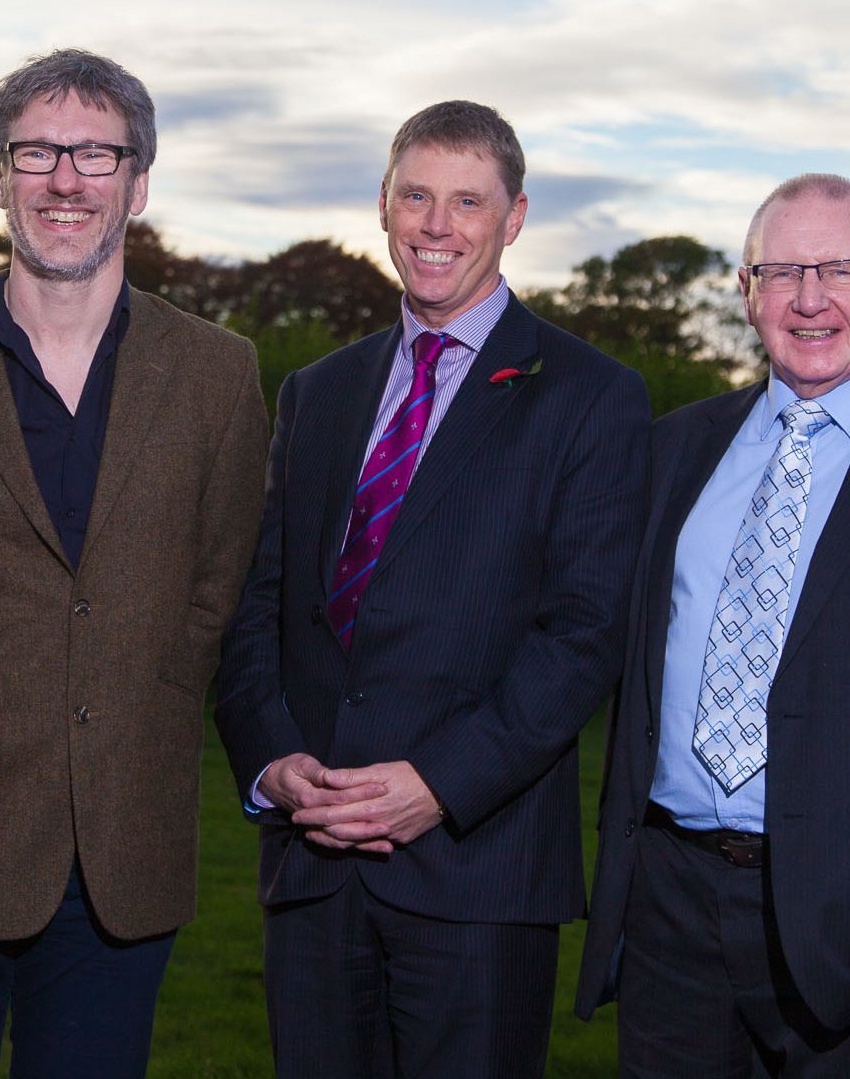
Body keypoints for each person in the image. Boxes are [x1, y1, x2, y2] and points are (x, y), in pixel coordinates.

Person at [0, 49, 269, 1079]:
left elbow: (220, 585)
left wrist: (141, 693)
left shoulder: (218, 372)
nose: (66, 179)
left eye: (95, 153)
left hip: (122, 844)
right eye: (37, 151)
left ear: (138, 179)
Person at [213, 99, 651, 1078]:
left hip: (477, 872)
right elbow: (259, 598)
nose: (437, 224)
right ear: (383, 203)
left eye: (467, 200)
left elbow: (585, 631)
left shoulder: (589, 395)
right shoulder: (319, 391)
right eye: (416, 195)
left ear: (516, 215)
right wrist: (271, 755)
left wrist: (442, 785)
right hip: (314, 858)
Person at [574, 174, 850, 1075]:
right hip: (671, 909)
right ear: (748, 293)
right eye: (782, 271)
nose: (811, 298)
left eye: (842, 269)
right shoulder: (674, 449)